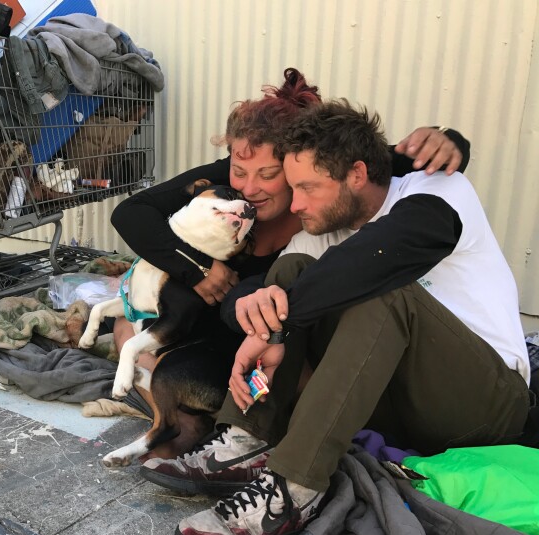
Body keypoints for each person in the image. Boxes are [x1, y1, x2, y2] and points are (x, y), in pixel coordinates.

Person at [154, 99, 530, 535]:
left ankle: (295, 488)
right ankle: (245, 441)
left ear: (356, 173)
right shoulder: (324, 227)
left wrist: (276, 324)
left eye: (309, 188)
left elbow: (376, 259)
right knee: (291, 270)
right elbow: (257, 293)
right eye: (293, 187)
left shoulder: (437, 193)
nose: (296, 204)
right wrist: (254, 309)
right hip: (396, 406)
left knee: (381, 292)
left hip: (487, 405)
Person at [110, 68, 468, 451]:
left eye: (269, 175)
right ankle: (177, 411)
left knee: (289, 351)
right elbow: (131, 214)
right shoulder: (233, 183)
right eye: (238, 170)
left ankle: (235, 425)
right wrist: (198, 269)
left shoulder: (318, 207)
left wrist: (450, 140)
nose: (248, 189)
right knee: (124, 325)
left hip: (268, 332)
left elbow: (393, 163)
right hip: (204, 319)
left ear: (301, 164)